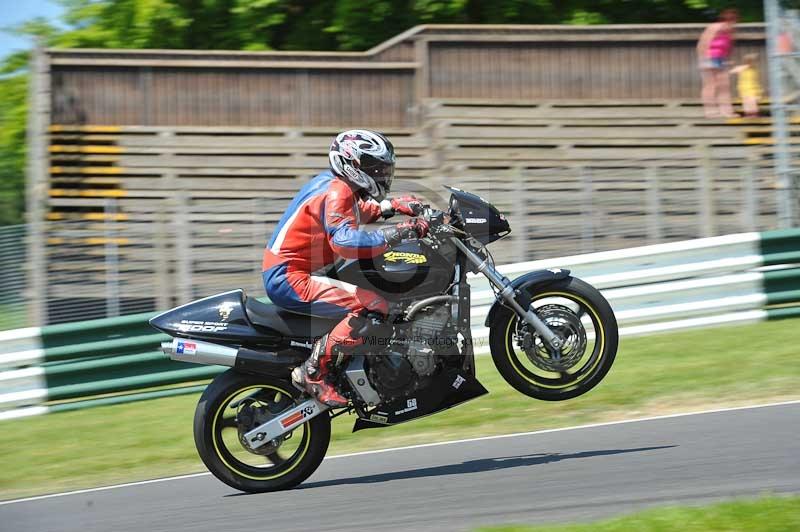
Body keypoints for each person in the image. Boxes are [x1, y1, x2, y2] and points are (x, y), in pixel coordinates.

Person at [262, 129, 429, 407]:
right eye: (374, 167)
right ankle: (313, 372)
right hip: (290, 276)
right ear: (351, 164)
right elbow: (344, 241)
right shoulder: (337, 191)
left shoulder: (337, 185)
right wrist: (396, 233)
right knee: (373, 304)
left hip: (296, 270)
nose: (380, 173)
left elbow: (356, 211)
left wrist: (392, 206)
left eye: (382, 168)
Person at [697, 8, 739, 118]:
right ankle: (710, 111)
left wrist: (728, 59)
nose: (731, 24)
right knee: (711, 85)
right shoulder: (714, 27)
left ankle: (726, 111)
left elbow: (729, 47)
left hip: (721, 59)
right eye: (730, 21)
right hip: (709, 57)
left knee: (724, 85)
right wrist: (704, 59)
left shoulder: (730, 31)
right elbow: (703, 43)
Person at [731, 53, 763, 118]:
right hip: (745, 90)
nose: (752, 63)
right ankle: (748, 114)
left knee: (753, 102)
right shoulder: (742, 68)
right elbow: (733, 71)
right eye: (750, 61)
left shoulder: (754, 70)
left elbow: (756, 81)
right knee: (747, 103)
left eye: (754, 62)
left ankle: (754, 114)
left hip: (753, 90)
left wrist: (759, 91)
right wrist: (743, 67)